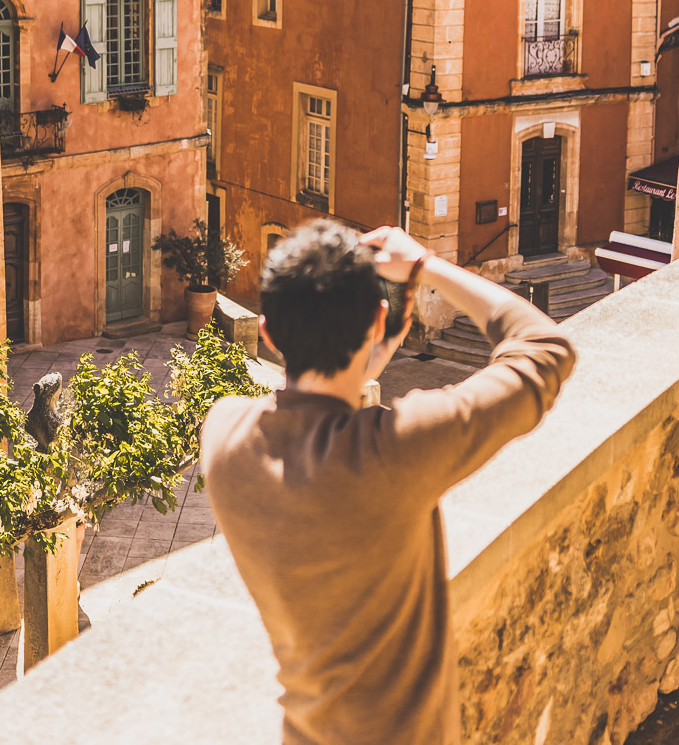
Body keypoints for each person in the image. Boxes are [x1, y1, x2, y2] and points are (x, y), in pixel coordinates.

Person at [200, 221, 576, 745]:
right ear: (378, 320)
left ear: (267, 331)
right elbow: (546, 346)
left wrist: (361, 362)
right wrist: (425, 266)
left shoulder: (223, 434)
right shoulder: (396, 451)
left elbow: (309, 426)